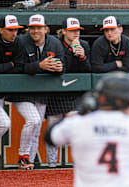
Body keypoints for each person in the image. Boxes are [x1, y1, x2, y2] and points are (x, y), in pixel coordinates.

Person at [45, 72, 129, 187]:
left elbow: (50, 137)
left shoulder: (79, 123)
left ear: (102, 98)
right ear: (120, 101)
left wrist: (80, 114)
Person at [6, 14, 64, 169]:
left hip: (41, 92)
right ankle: (24, 156)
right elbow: (18, 67)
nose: (35, 31)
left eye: (39, 27)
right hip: (21, 92)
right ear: (28, 29)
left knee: (36, 129)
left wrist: (59, 69)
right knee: (34, 120)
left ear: (46, 29)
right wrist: (40, 66)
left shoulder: (55, 43)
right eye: (32, 28)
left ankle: (28, 162)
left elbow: (62, 64)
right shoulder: (20, 42)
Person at [44, 17, 91, 167]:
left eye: (77, 30)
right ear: (63, 31)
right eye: (72, 31)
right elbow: (62, 68)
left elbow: (89, 70)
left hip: (76, 92)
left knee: (80, 127)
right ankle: (52, 164)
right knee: (53, 125)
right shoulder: (55, 44)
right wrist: (72, 52)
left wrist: (82, 56)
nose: (75, 33)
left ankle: (81, 163)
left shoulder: (83, 44)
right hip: (57, 91)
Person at [0, 15, 24, 146]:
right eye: (10, 30)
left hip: (4, 92)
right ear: (1, 30)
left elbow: (20, 67)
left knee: (2, 124)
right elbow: (14, 65)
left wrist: (3, 67)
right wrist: (9, 65)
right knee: (3, 123)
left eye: (16, 30)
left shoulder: (18, 42)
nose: (14, 33)